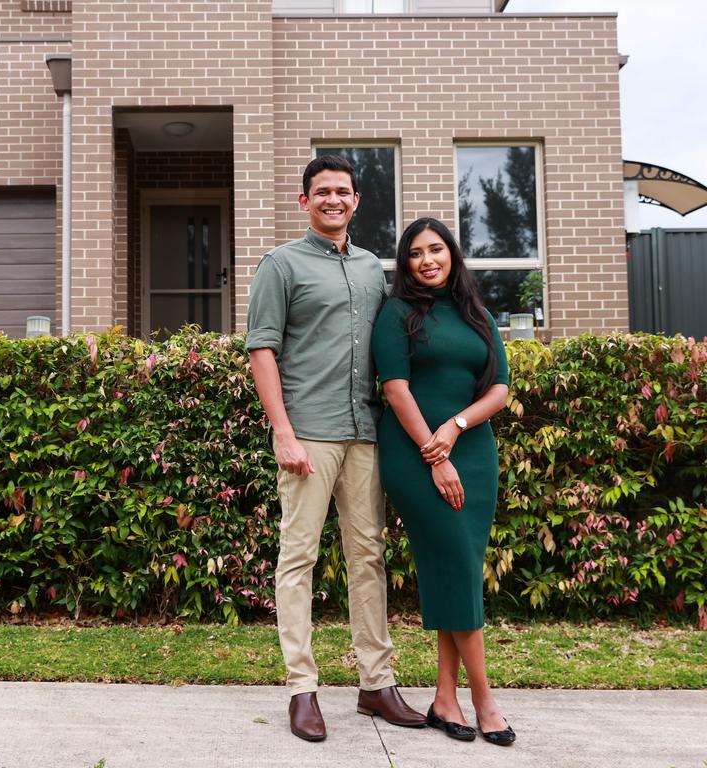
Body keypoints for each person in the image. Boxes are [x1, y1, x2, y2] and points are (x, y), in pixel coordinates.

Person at [246, 155, 426, 742]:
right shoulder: (281, 264)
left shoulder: (375, 268)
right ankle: (302, 688)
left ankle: (376, 683)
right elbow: (262, 350)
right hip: (310, 434)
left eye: (342, 192)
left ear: (356, 201)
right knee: (298, 558)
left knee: (367, 558)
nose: (333, 200)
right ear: (305, 202)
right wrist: (283, 430)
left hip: (365, 433)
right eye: (321, 192)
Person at [371, 217, 516, 747]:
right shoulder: (397, 313)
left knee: (459, 570)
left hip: (474, 453)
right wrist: (435, 453)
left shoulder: (477, 313)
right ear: (404, 263)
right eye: (415, 253)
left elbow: (499, 387)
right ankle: (485, 700)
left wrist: (456, 428)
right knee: (456, 566)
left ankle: (444, 698)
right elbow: (395, 389)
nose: (427, 260)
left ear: (452, 254)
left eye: (436, 250)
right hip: (415, 456)